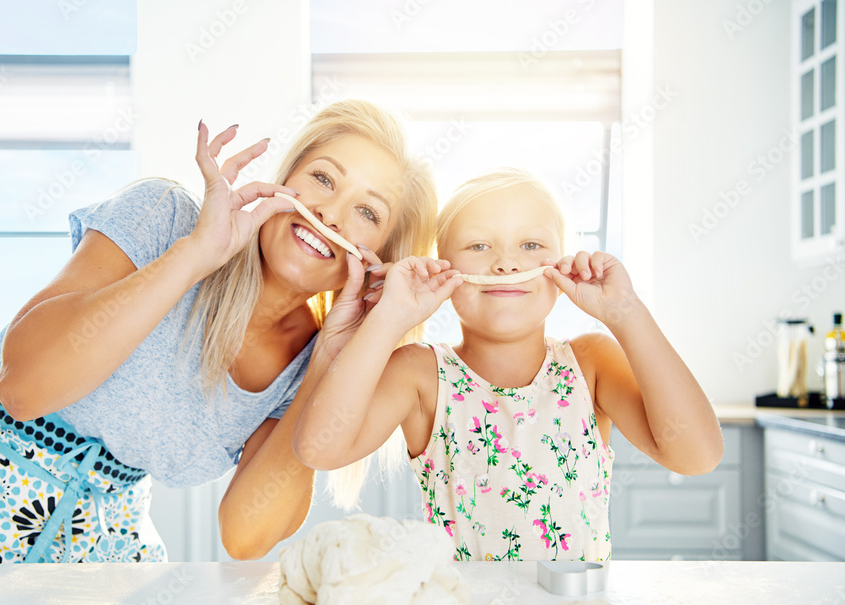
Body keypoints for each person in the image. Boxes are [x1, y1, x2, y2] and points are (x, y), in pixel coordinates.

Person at [0, 99, 437, 563]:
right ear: (285, 180)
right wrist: (194, 256)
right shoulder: (164, 217)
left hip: (99, 555)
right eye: (322, 178)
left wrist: (332, 359)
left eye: (368, 212)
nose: (333, 213)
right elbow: (23, 388)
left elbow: (247, 535)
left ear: (379, 258)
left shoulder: (307, 364)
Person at [292, 168, 724, 561]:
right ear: (443, 267)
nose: (506, 263)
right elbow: (318, 449)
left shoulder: (591, 363)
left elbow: (698, 456)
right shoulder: (419, 374)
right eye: (479, 246)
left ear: (562, 266)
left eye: (531, 245)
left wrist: (627, 313)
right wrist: (388, 317)